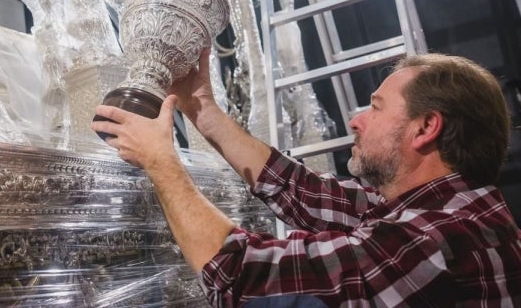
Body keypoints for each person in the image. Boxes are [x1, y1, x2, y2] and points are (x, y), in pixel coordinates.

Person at [91, 50, 521, 307]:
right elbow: (304, 191)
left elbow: (241, 275)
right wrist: (201, 105)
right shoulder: (438, 207)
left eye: (375, 107)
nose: (356, 121)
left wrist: (161, 161)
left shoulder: (436, 238)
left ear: (425, 128)